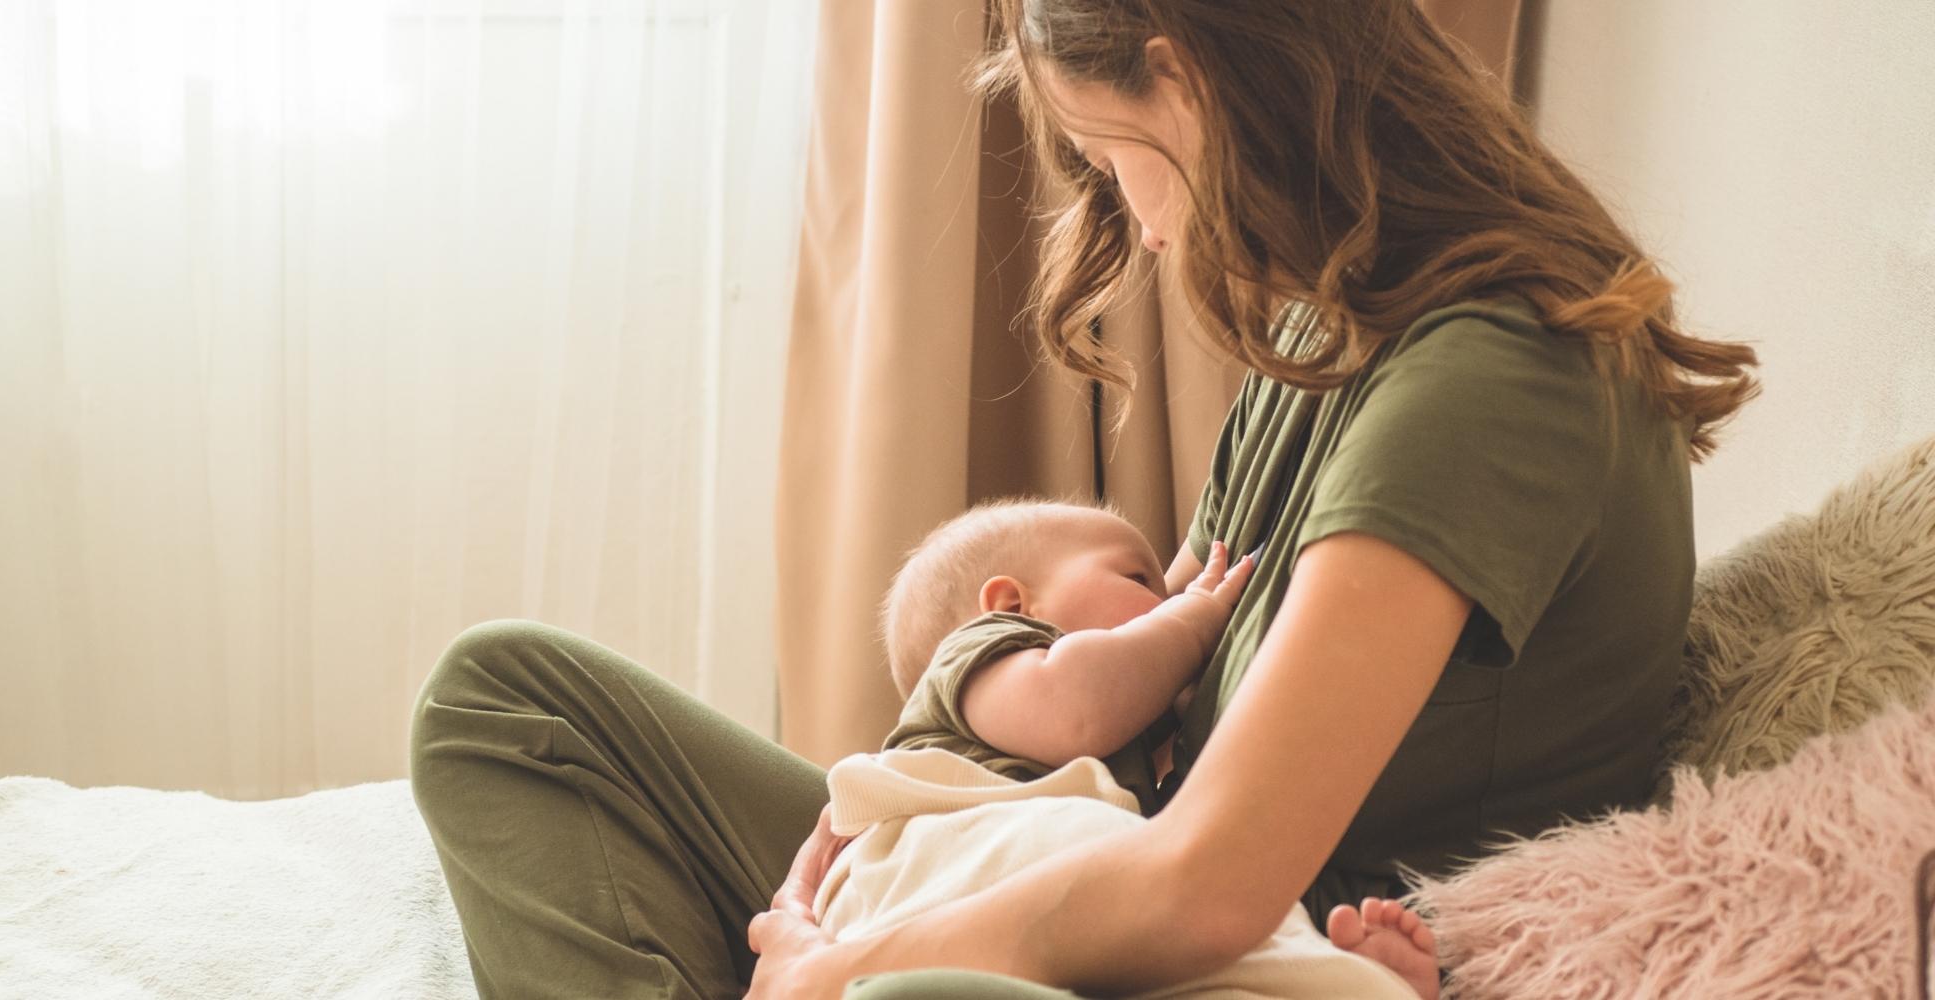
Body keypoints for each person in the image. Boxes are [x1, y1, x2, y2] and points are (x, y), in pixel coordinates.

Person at [408, 1, 1759, 997]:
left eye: (1114, 160)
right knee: (506, 700)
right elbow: (1153, 721)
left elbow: (1212, 883)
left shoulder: (1493, 377)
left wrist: (852, 959)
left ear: (1186, 85)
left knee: (926, 991)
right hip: (1107, 857)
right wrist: (909, 819)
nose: (1149, 229)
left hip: (1251, 955)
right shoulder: (1332, 341)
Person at [809, 496, 1434, 999]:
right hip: (939, 875)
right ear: (1010, 604)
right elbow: (1075, 708)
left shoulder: (1121, 753)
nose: (1166, 601)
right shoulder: (979, 658)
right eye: (1140, 579)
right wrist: (1190, 624)